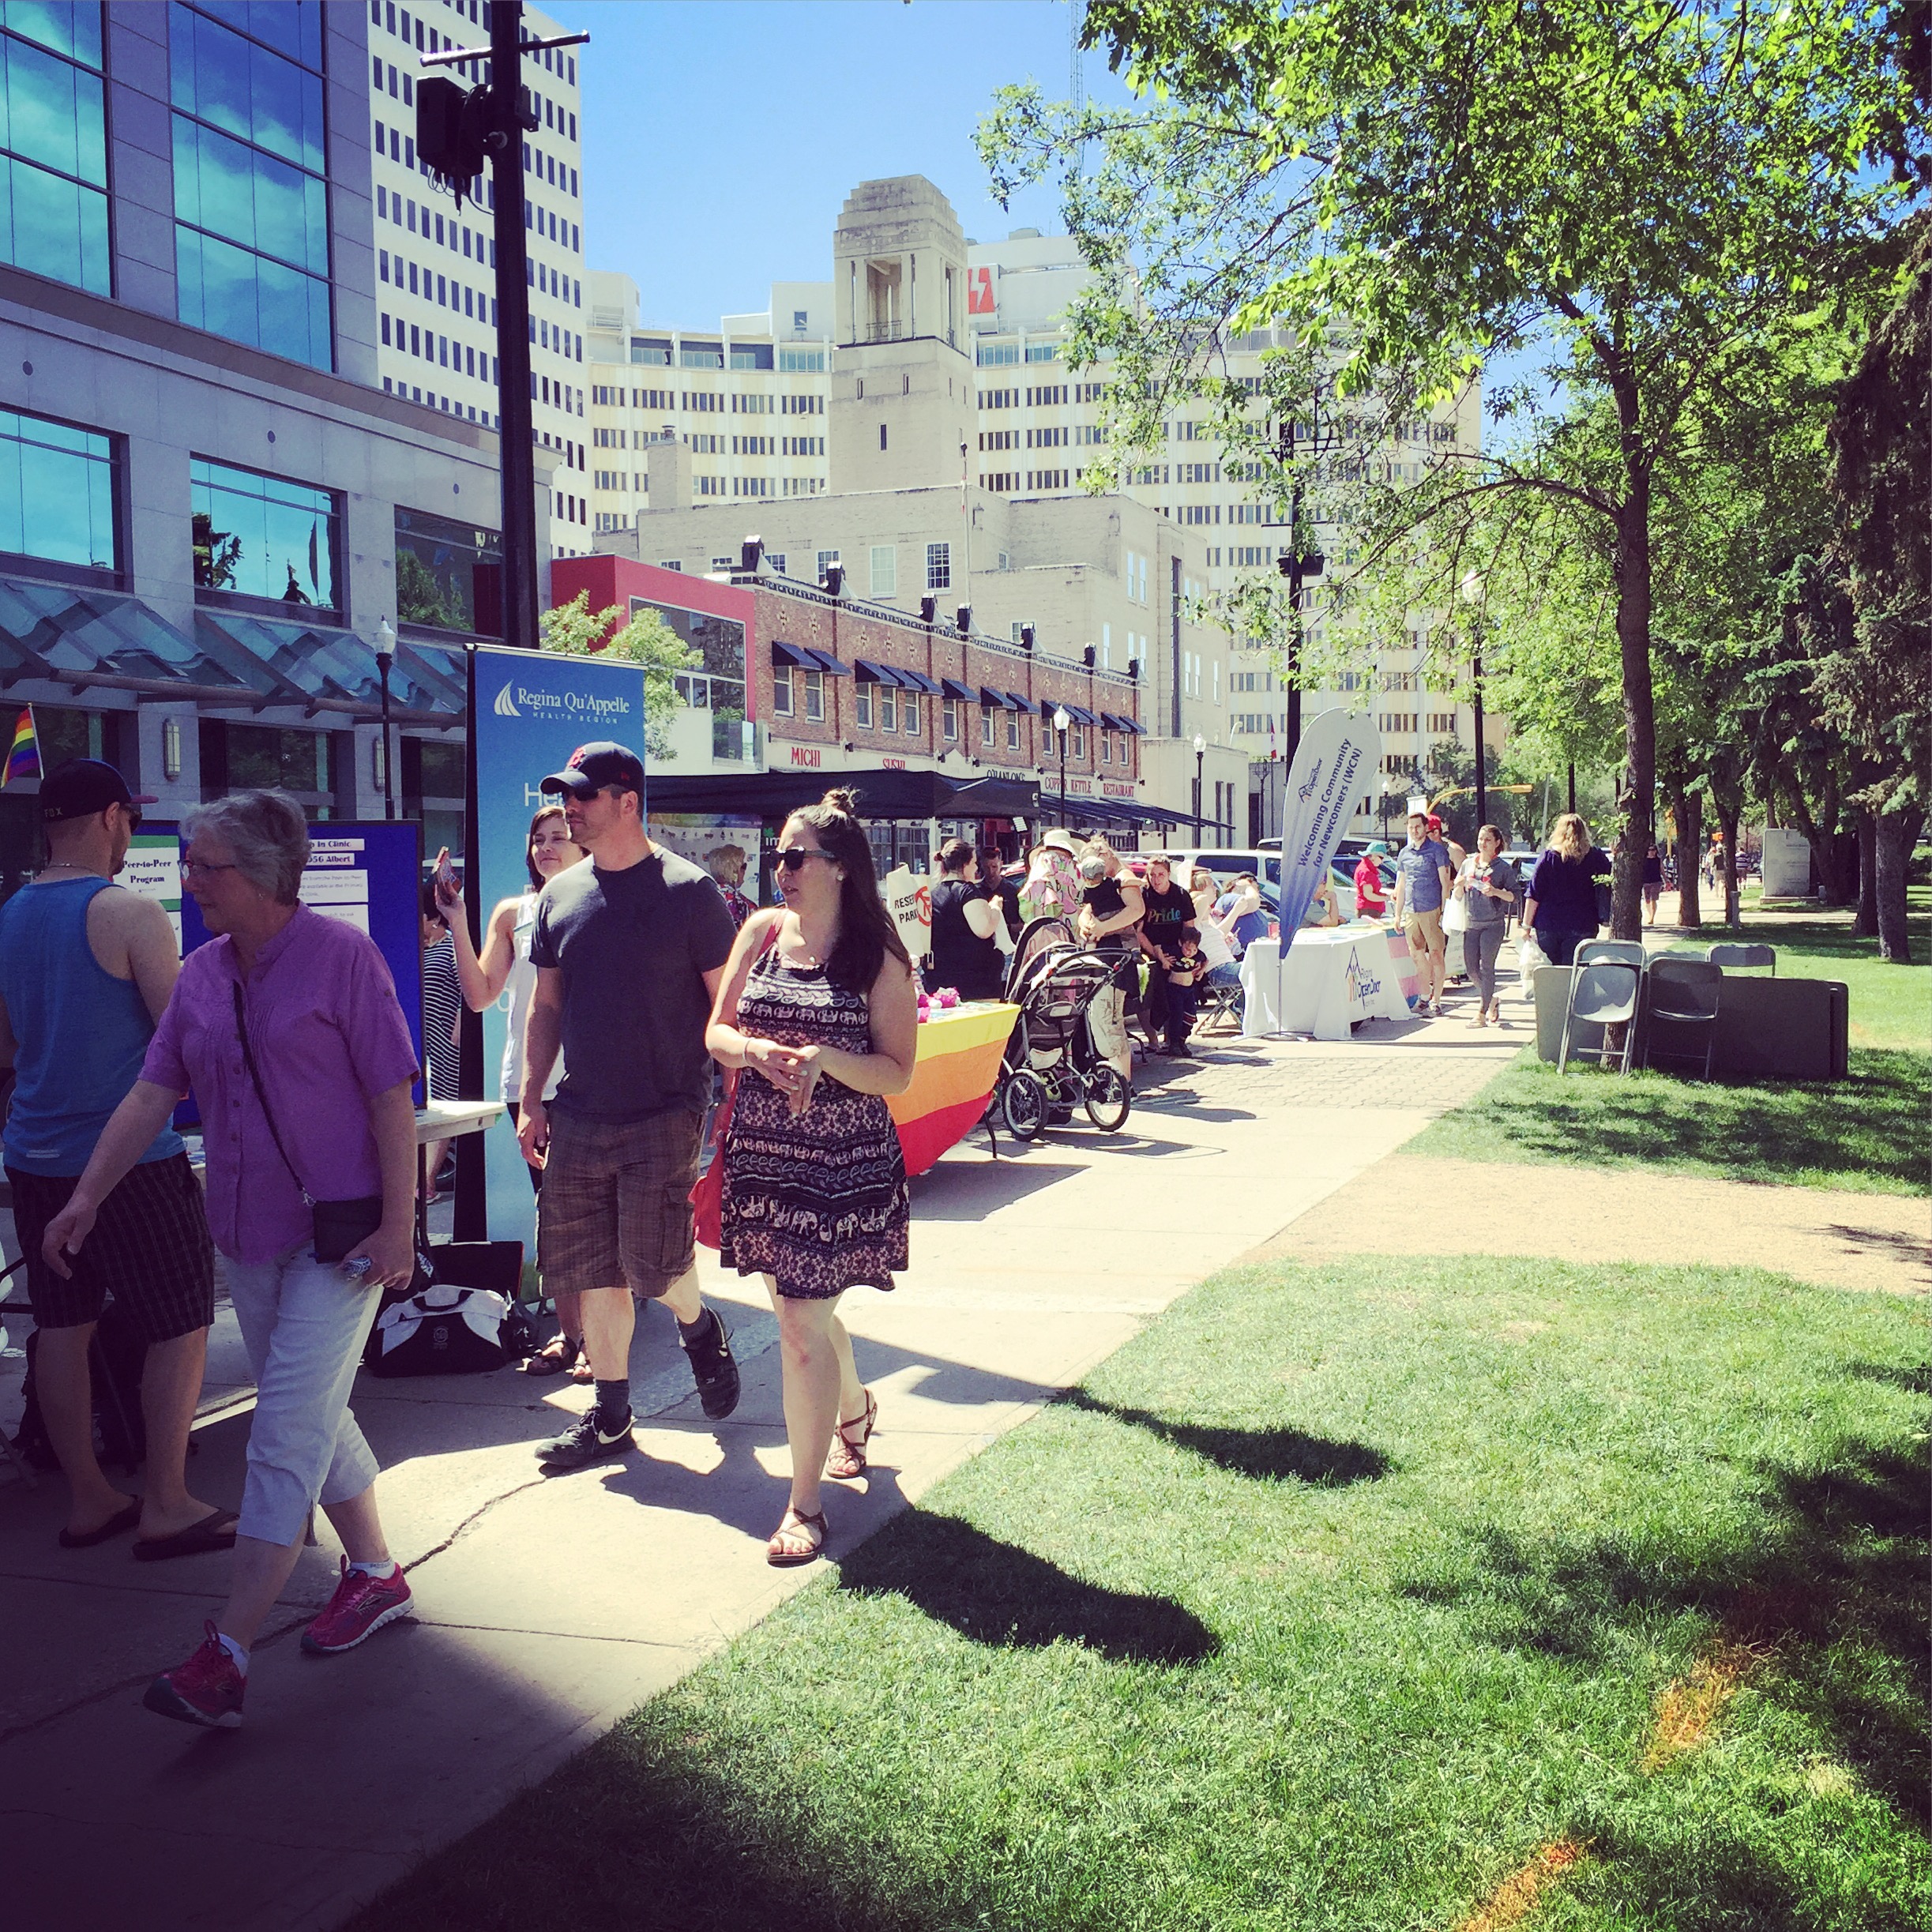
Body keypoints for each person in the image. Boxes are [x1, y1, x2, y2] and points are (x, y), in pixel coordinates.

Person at [43, 791, 421, 1727]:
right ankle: (374, 1572)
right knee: (313, 1407)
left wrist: (401, 1229)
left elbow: (390, 1102)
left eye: (203, 865)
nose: (186, 879)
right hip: (248, 1237)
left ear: (258, 873)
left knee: (284, 1429)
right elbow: (149, 1095)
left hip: (343, 1243)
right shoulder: (204, 971)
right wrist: (85, 1194)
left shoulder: (344, 958)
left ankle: (227, 1652)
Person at [0, 759, 225, 1557]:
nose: (131, 831)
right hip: (131, 1157)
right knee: (183, 1319)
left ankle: (90, 1498)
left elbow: (8, 1046)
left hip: (32, 1153)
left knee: (63, 1323)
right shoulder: (128, 912)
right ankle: (166, 1501)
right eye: (129, 816)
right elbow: (182, 1038)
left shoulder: (10, 914)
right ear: (109, 818)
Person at [705, 790, 917, 1566]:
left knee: (799, 1327)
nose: (781, 869)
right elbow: (717, 1030)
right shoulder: (761, 933)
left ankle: (804, 1506)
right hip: (764, 1162)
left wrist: (826, 1059)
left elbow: (897, 1073)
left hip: (841, 1167)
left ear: (839, 868)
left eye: (796, 857)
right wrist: (756, 1052)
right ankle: (855, 1411)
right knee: (806, 1316)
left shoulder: (878, 954)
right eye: (778, 856)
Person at [517, 742, 742, 1472]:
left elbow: (728, 1005)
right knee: (595, 1268)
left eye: (583, 796)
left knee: (651, 1260)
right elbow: (547, 1006)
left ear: (628, 803)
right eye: (566, 795)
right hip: (581, 1109)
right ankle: (611, 1417)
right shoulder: (559, 896)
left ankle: (697, 1325)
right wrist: (532, 1095)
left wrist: (737, 1097)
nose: (570, 808)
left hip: (667, 1106)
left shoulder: (690, 893)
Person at [436, 806, 589, 1377]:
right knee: (553, 1213)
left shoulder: (601, 906)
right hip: (528, 1086)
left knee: (581, 1215)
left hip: (591, 1086)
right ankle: (573, 1339)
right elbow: (480, 997)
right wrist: (457, 919)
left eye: (560, 837)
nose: (547, 847)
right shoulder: (512, 912)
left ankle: (598, 1340)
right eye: (539, 839)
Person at [1075, 844, 1143, 1081]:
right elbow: (1086, 909)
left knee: (1107, 1021)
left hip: (1116, 960)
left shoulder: (1123, 879)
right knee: (1105, 1021)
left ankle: (1122, 1084)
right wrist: (1086, 923)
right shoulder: (1101, 884)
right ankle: (1120, 1082)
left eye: (1101, 854)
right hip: (1102, 959)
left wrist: (1103, 927)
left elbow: (1137, 909)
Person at [1452, 825, 1520, 1027]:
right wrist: (1460, 883)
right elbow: (1457, 893)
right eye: (1481, 839)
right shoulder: (1467, 864)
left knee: (1487, 967)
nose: (1483, 843)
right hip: (1471, 923)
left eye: (1488, 840)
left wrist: (1496, 892)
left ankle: (1481, 1013)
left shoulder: (1503, 868)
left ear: (1497, 843)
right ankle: (1492, 1000)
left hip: (1493, 924)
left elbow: (1515, 896)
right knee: (1471, 968)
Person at [418, 880, 461, 1201]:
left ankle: (428, 1183)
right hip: (431, 1047)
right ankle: (425, 1181)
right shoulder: (424, 951)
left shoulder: (449, 948)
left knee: (444, 1114)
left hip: (449, 1045)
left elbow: (464, 993)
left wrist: (459, 1034)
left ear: (432, 917)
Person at [1524, 813, 1612, 966]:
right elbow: (1609, 882)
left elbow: (1534, 894)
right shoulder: (1596, 856)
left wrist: (1526, 927)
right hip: (1583, 923)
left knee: (1551, 972)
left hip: (1549, 924)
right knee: (1575, 971)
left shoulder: (1548, 857)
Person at [1390, 810, 1455, 1014]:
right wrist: (1398, 914)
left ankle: (1437, 999)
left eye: (1418, 826)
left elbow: (1445, 882)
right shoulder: (1404, 854)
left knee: (1436, 954)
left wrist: (1444, 910)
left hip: (1432, 909)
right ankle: (1424, 996)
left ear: (1426, 828)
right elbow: (1400, 885)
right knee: (1417, 955)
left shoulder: (1437, 851)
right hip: (1411, 911)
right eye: (1410, 827)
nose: (1414, 830)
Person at [927, 839, 1005, 1001]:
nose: (977, 868)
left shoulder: (933, 894)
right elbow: (983, 930)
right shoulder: (967, 892)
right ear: (965, 865)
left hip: (942, 982)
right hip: (976, 983)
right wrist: (996, 908)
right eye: (974, 863)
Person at [1137, 855, 1198, 1055]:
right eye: (1152, 875)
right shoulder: (1144, 896)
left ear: (1168, 875)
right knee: (1155, 1000)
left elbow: (1190, 929)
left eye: (1160, 875)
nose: (1156, 880)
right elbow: (1139, 931)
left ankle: (1176, 1040)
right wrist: (1157, 954)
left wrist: (1188, 955)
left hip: (1177, 951)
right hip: (1152, 952)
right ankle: (1156, 1040)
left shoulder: (1180, 895)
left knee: (1181, 999)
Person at [1186, 867, 1242, 993]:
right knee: (1256, 972)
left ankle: (1239, 1006)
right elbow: (1201, 901)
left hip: (1230, 965)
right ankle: (1239, 1006)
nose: (1216, 889)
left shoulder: (1208, 922)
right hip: (1218, 970)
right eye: (1211, 885)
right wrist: (1202, 893)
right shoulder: (1195, 921)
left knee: (1264, 970)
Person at [1020, 827, 1082, 927]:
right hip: (1073, 923)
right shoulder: (1075, 867)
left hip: (1046, 926)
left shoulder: (1043, 860)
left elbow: (1036, 893)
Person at [705, 844, 757, 930]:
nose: (744, 871)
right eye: (743, 867)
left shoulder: (706, 893)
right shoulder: (733, 899)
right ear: (734, 871)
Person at [1353, 843, 1390, 921]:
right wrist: (1387, 898)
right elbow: (1369, 895)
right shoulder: (1366, 871)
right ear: (1372, 856)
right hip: (1369, 911)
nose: (1381, 861)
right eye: (1381, 858)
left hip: (1368, 910)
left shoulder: (1367, 869)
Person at [1642, 842, 1663, 925]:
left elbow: (1662, 870)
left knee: (1653, 899)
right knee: (1647, 900)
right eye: (1650, 850)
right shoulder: (1644, 860)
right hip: (1646, 882)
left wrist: (1666, 880)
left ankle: (1652, 918)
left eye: (1653, 850)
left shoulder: (1658, 860)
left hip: (1656, 881)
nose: (1651, 851)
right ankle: (1650, 914)